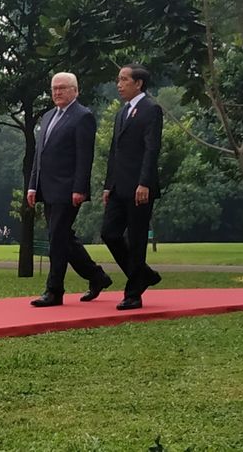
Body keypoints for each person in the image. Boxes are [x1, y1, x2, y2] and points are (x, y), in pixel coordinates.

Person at [28, 72, 112, 307]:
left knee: (57, 238)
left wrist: (79, 188)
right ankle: (97, 276)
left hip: (67, 189)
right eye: (54, 88)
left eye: (63, 88)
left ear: (75, 90)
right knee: (63, 238)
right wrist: (32, 186)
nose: (57, 92)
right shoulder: (46, 117)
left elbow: (85, 157)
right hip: (46, 188)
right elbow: (39, 155)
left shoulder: (82, 116)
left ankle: (54, 291)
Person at [99, 64, 163, 310]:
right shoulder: (121, 112)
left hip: (139, 187)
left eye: (124, 79)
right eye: (118, 79)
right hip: (118, 186)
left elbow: (151, 148)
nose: (119, 84)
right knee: (109, 233)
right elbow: (114, 151)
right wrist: (108, 185)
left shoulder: (151, 109)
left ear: (138, 84)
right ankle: (143, 274)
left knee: (136, 239)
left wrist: (144, 182)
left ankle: (134, 293)